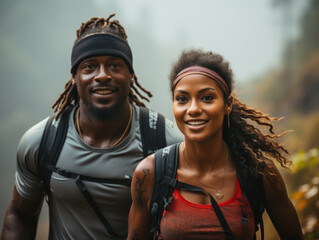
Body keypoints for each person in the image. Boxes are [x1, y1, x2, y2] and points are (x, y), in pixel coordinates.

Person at [1, 14, 183, 240]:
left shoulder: (165, 143)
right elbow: (20, 215)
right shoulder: (42, 141)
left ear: (131, 75)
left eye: (115, 65)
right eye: (89, 67)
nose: (103, 75)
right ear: (74, 78)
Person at [128, 49, 303, 240]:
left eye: (207, 98)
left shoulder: (259, 174)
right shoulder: (151, 173)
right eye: (182, 99)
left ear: (228, 104)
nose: (193, 109)